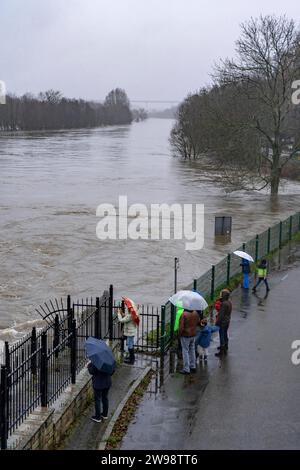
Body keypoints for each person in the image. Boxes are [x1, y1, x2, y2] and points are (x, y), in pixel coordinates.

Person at [178, 309, 200, 374]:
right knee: (192, 350)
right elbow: (198, 322)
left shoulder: (183, 314)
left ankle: (186, 369)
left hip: (185, 335)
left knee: (185, 351)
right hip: (193, 334)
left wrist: (179, 334)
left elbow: (181, 327)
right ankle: (193, 366)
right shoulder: (195, 313)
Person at [215, 290, 232, 357]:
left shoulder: (223, 304)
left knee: (221, 335)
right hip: (227, 321)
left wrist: (217, 323)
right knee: (225, 334)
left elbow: (221, 315)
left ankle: (222, 350)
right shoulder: (229, 302)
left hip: (222, 322)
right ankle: (225, 346)